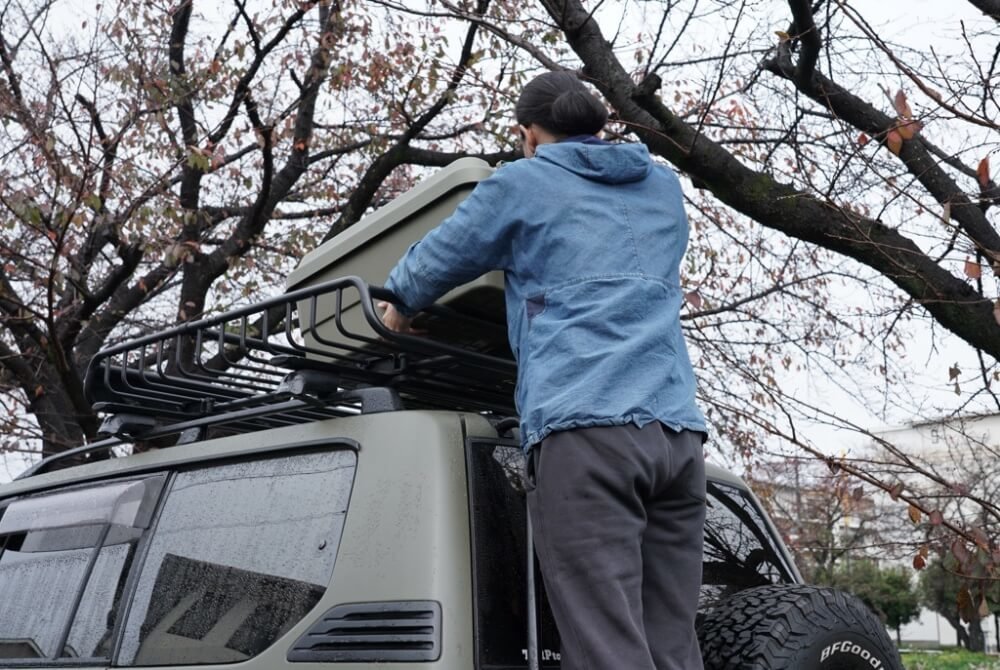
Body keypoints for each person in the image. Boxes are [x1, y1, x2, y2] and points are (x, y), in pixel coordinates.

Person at [380, 70, 708, 670]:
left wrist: (397, 300)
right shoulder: (662, 189)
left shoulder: (524, 181)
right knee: (673, 650)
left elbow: (446, 252)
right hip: (678, 438)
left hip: (587, 434)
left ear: (527, 134)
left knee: (609, 651)